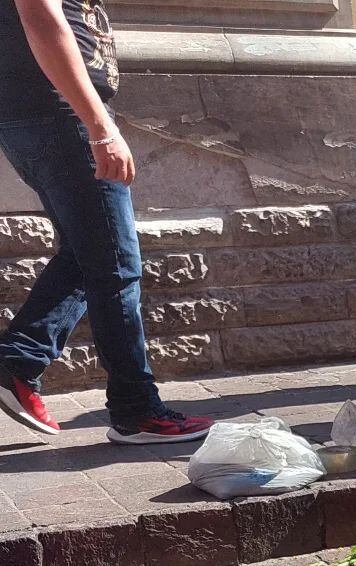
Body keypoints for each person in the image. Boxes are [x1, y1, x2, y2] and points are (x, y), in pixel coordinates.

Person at [0, 0, 214, 444]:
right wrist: (98, 125)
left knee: (89, 255)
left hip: (49, 113)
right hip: (60, 114)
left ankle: (16, 361)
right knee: (115, 265)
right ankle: (136, 410)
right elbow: (40, 15)